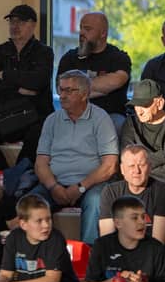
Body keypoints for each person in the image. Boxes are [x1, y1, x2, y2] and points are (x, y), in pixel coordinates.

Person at [32, 69, 118, 245]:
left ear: (85, 94)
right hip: (55, 184)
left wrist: (80, 187)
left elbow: (110, 165)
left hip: (90, 185)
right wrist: (53, 187)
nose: (62, 95)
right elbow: (40, 164)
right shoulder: (52, 120)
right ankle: (38, 254)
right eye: (61, 89)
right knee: (31, 203)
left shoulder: (101, 118)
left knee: (96, 201)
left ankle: (89, 254)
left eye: (69, 90)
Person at [0, 4, 54, 169]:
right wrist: (18, 88)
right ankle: (3, 173)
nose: (15, 26)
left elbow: (38, 82)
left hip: (34, 113)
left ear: (33, 25)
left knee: (38, 135)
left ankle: (18, 174)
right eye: (12, 22)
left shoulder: (44, 52)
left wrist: (5, 75)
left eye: (20, 22)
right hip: (3, 112)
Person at [56, 11, 131, 130]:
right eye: (80, 28)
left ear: (103, 33)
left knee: (116, 126)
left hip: (110, 115)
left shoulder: (119, 58)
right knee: (54, 124)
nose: (81, 32)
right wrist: (102, 89)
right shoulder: (69, 58)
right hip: (75, 114)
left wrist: (76, 89)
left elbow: (117, 81)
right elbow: (61, 90)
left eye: (87, 29)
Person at [118, 79, 165, 191]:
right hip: (140, 189)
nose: (139, 111)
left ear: (160, 103)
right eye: (136, 106)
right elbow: (127, 164)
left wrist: (142, 170)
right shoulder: (131, 124)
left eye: (144, 105)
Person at [97, 144, 165, 243]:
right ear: (122, 169)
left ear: (149, 167)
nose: (137, 171)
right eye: (131, 166)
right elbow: (107, 239)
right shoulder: (111, 192)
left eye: (141, 165)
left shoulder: (162, 192)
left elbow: (157, 244)